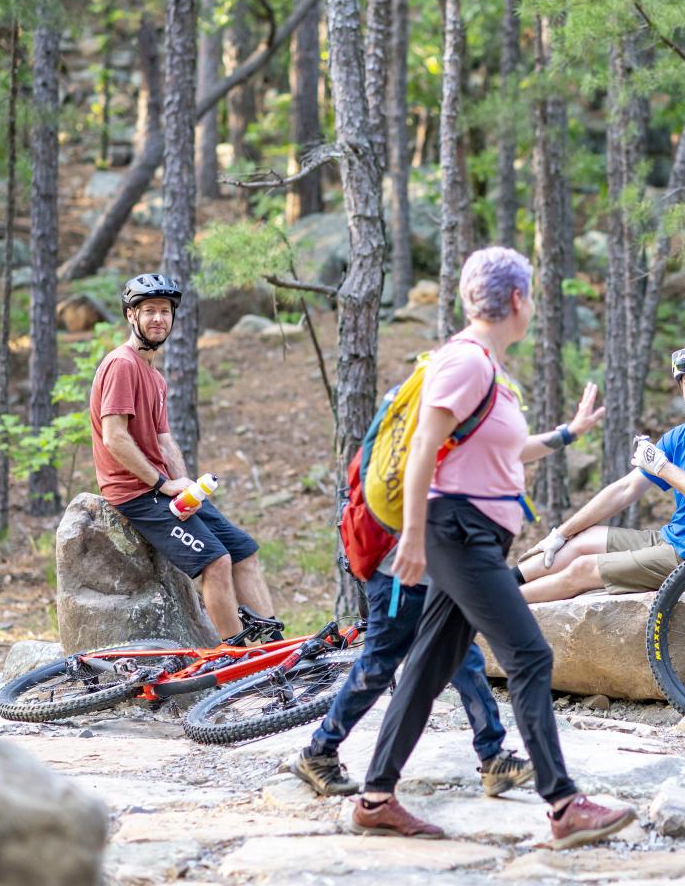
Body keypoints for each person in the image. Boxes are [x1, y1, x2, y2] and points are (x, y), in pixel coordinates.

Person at [350, 246, 634, 847]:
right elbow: (426, 443)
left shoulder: (488, 370)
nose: (531, 305)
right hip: (457, 532)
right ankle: (562, 805)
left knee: (426, 668)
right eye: (529, 295)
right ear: (516, 300)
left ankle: (375, 798)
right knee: (530, 655)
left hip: (471, 534)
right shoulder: (467, 362)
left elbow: (503, 449)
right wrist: (418, 541)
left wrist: (566, 434)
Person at [88, 273, 276, 641]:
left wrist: (187, 489)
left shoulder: (154, 376)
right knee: (216, 560)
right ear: (131, 316)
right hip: (135, 493)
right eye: (149, 311)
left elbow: (164, 440)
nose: (158, 318)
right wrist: (162, 483)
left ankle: (276, 647)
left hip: (162, 490)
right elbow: (114, 438)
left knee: (243, 550)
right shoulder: (121, 364)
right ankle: (236, 658)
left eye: (164, 311)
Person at [515, 342, 685, 604]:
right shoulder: (680, 436)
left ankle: (492, 609)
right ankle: (499, 585)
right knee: (579, 540)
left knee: (582, 569)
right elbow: (625, 490)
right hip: (673, 541)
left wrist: (664, 468)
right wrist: (560, 534)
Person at [287, 547, 535, 799]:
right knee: (376, 669)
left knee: (464, 657)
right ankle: (319, 752)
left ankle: (493, 756)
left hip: (428, 575)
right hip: (396, 577)